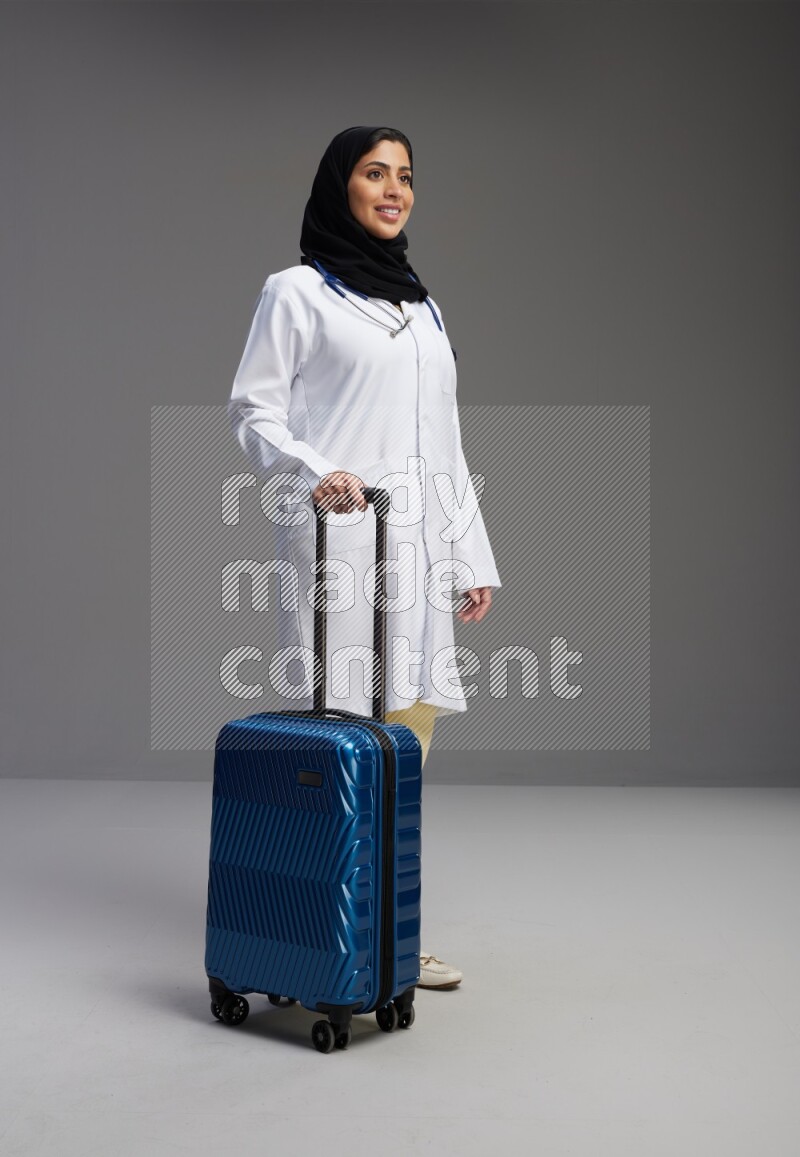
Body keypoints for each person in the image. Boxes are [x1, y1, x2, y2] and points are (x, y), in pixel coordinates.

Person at [228, 125, 501, 989]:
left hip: (420, 546)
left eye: (406, 177)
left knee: (407, 739)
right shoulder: (297, 292)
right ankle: (325, 933)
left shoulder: (421, 304)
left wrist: (471, 554)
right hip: (343, 541)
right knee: (341, 733)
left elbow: (445, 443)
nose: (394, 190)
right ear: (339, 186)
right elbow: (253, 411)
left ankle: (388, 932)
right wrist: (316, 472)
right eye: (375, 173)